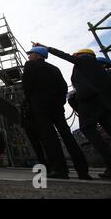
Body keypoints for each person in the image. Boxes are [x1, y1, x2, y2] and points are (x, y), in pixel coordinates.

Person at [34, 44, 111, 179]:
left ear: (79, 55)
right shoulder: (100, 71)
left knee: (88, 129)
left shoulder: (86, 60)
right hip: (104, 104)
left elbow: (65, 56)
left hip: (90, 102)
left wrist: (47, 48)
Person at [22, 46, 91, 180]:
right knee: (67, 136)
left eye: (31, 54)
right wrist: (59, 103)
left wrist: (32, 101)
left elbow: (27, 85)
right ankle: (83, 171)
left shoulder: (30, 65)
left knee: (50, 138)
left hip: (40, 107)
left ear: (37, 55)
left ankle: (60, 170)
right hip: (57, 107)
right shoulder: (54, 69)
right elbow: (63, 87)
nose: (29, 56)